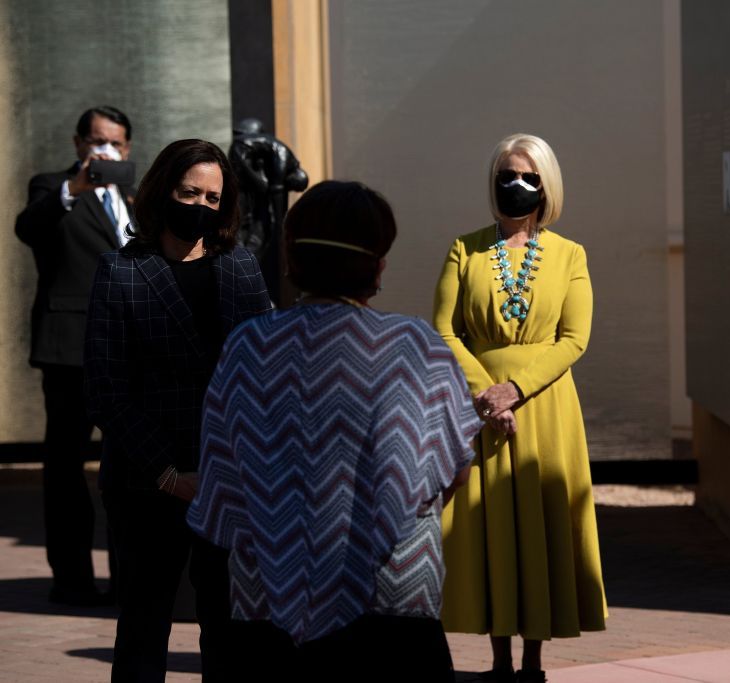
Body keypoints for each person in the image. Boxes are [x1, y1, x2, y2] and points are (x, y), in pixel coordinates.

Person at [186, 180, 481, 681]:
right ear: (377, 265)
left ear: (292, 257)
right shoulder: (416, 345)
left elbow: (221, 479)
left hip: (265, 605)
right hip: (393, 601)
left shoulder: (248, 346)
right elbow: (451, 470)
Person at [84, 139, 272, 681]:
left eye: (213, 198)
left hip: (229, 480)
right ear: (163, 190)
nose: (201, 206)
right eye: (190, 192)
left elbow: (264, 371)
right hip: (147, 482)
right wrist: (168, 473)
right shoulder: (119, 270)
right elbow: (105, 388)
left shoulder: (240, 267)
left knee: (229, 630)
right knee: (144, 627)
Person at [433, 133, 607, 682]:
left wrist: (515, 390)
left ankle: (533, 662)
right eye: (507, 174)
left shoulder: (570, 255)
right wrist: (487, 392)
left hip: (546, 410)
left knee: (540, 526)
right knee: (490, 530)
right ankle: (500, 659)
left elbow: (573, 339)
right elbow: (444, 330)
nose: (517, 185)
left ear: (546, 185)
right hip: (478, 407)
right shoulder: (465, 248)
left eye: (529, 176)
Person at [14, 105, 135, 606]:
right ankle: (72, 580)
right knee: (65, 469)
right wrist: (74, 189)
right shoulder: (52, 188)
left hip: (129, 353)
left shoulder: (136, 197)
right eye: (96, 141)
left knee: (132, 468)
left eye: (115, 144)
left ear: (128, 150)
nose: (105, 151)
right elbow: (29, 228)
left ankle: (132, 580)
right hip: (69, 351)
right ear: (79, 143)